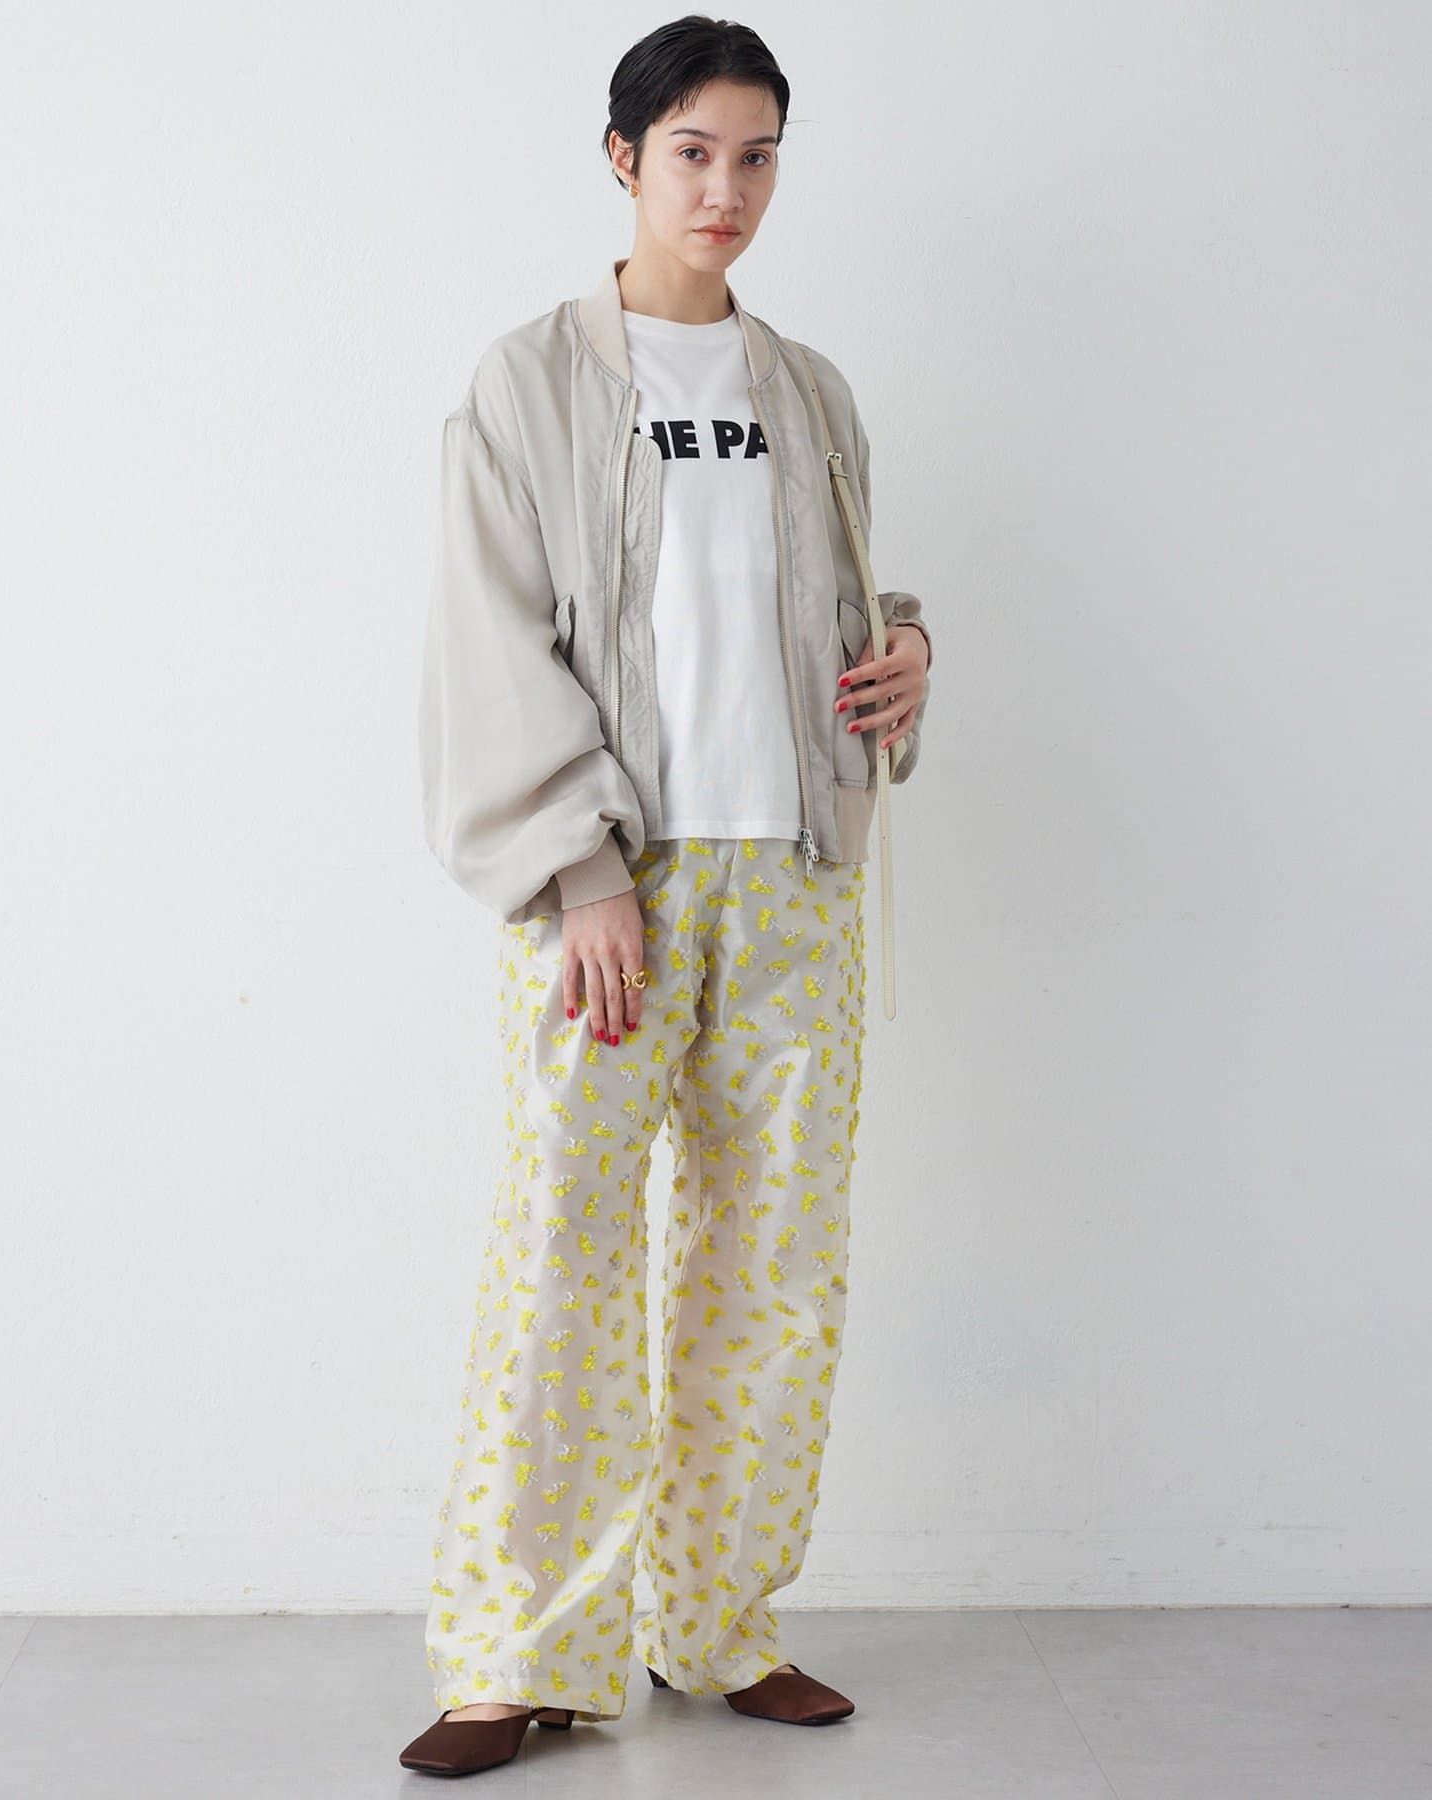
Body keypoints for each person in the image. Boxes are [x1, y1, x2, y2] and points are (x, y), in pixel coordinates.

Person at [400, 14, 933, 1778]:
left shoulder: (812, 392)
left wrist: (908, 654)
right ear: (624, 157)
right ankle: (519, 1656)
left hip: (795, 881)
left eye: (758, 155)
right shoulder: (529, 383)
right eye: (694, 151)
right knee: (565, 1249)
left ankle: (720, 1624)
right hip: (610, 893)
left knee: (774, 1266)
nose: (728, 188)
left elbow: (838, 603)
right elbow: (492, 638)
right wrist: (580, 871)